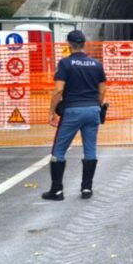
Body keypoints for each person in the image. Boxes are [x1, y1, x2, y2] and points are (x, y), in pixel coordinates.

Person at [42, 30, 107, 201]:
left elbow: (58, 90)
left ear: (69, 44)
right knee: (90, 149)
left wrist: (51, 112)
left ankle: (56, 190)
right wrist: (96, 107)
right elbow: (102, 91)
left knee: (59, 150)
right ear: (84, 44)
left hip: (72, 111)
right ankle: (86, 189)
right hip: (93, 110)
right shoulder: (96, 64)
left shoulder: (65, 63)